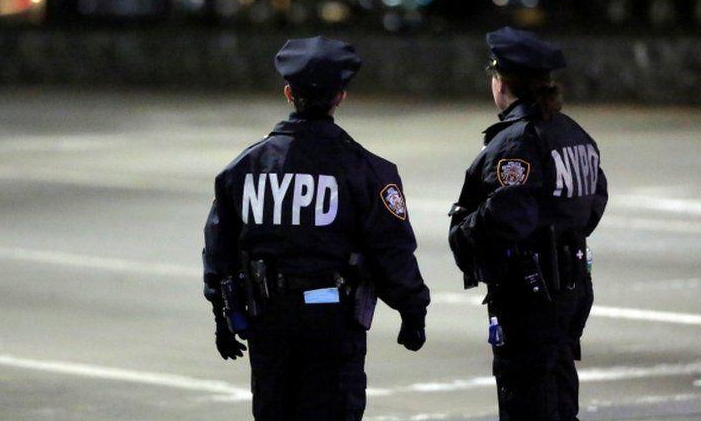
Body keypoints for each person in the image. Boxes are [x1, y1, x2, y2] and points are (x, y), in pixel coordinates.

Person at [202, 36, 430, 421]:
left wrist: (221, 314)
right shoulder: (367, 170)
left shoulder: (244, 169)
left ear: (287, 92)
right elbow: (391, 248)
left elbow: (219, 248)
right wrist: (412, 310)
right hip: (333, 323)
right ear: (340, 97)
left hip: (269, 320)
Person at [448, 27, 608, 421]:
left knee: (527, 398)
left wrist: (463, 230)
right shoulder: (573, 134)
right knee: (558, 390)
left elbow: (508, 214)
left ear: (501, 82)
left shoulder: (517, 141)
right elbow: (595, 201)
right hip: (569, 286)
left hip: (531, 293)